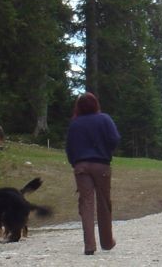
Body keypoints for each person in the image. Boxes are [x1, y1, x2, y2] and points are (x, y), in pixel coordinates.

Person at [66, 92, 120, 255]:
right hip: (101, 164)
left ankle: (89, 245)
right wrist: (106, 150)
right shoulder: (104, 119)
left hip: (81, 166)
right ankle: (107, 242)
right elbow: (115, 139)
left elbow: (69, 147)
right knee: (104, 203)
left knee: (86, 204)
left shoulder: (74, 124)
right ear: (95, 104)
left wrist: (75, 162)